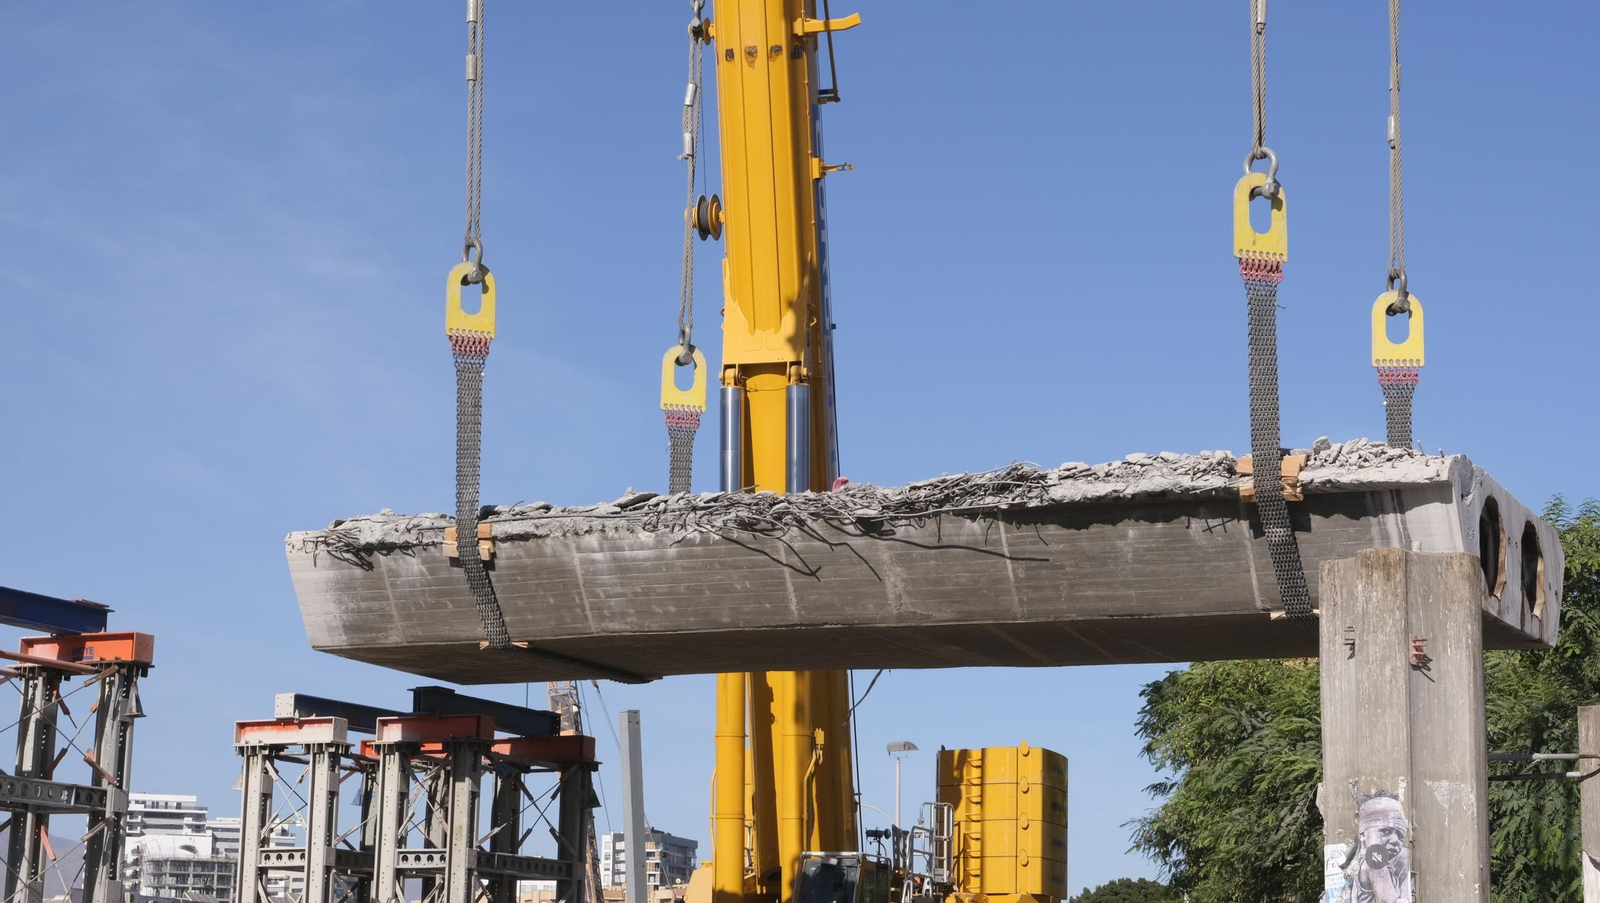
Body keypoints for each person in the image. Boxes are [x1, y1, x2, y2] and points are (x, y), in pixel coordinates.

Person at [1338, 793, 1411, 903]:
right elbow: (1389, 900)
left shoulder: (1379, 863)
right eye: (1385, 831)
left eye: (1400, 835)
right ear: (1362, 834)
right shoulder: (1374, 861)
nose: (1395, 840)